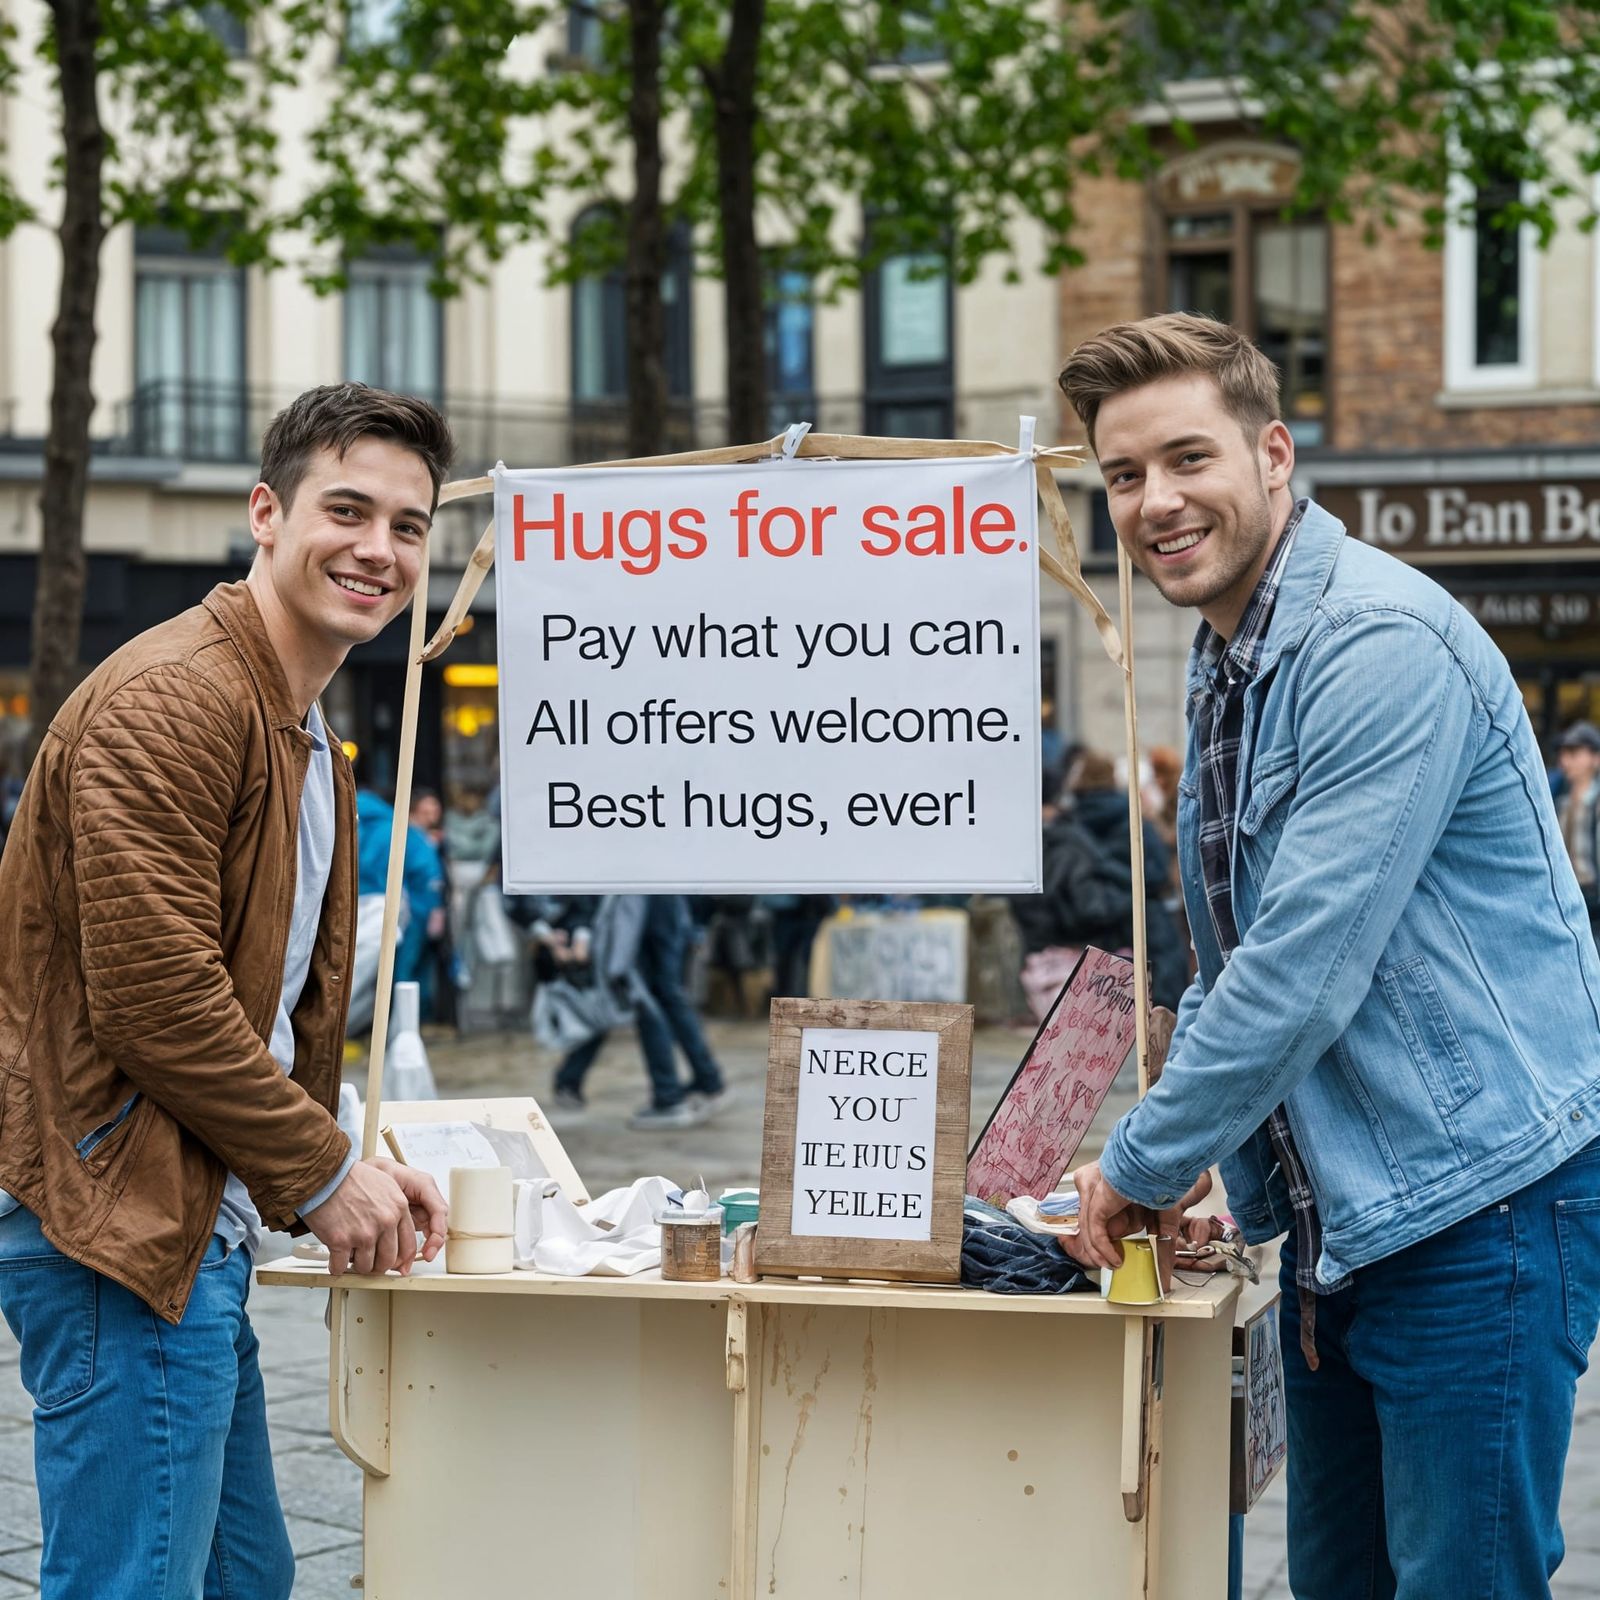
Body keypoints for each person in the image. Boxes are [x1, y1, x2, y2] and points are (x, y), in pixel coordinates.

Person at [1056, 313, 1600, 1599]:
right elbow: (1239, 948)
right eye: (1124, 476)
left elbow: (1301, 967)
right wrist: (1225, 1166)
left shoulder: (1371, 642)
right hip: (1334, 1224)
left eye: (1188, 458)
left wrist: (1140, 1160)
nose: (1155, 501)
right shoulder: (1230, 656)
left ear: (1274, 453)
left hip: (1480, 1206)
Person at [0, 384, 453, 1600]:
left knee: (243, 1578)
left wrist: (321, 1166)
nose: (379, 548)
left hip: (189, 1217)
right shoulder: (179, 698)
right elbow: (157, 999)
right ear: (266, 510)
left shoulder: (297, 720)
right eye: (346, 509)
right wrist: (319, 1167)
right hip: (120, 1224)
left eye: (408, 526)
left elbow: (265, 997)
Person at [1064, 749, 1189, 1010]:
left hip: (1092, 928)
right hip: (1146, 924)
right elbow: (1156, 872)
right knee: (1159, 1008)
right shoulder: (1132, 817)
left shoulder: (1069, 825)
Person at [1557, 721, 1600, 949]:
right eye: (1563, 753)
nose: (1565, 760)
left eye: (1574, 752)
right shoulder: (1561, 801)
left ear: (1596, 758)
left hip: (1593, 899)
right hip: (1568, 897)